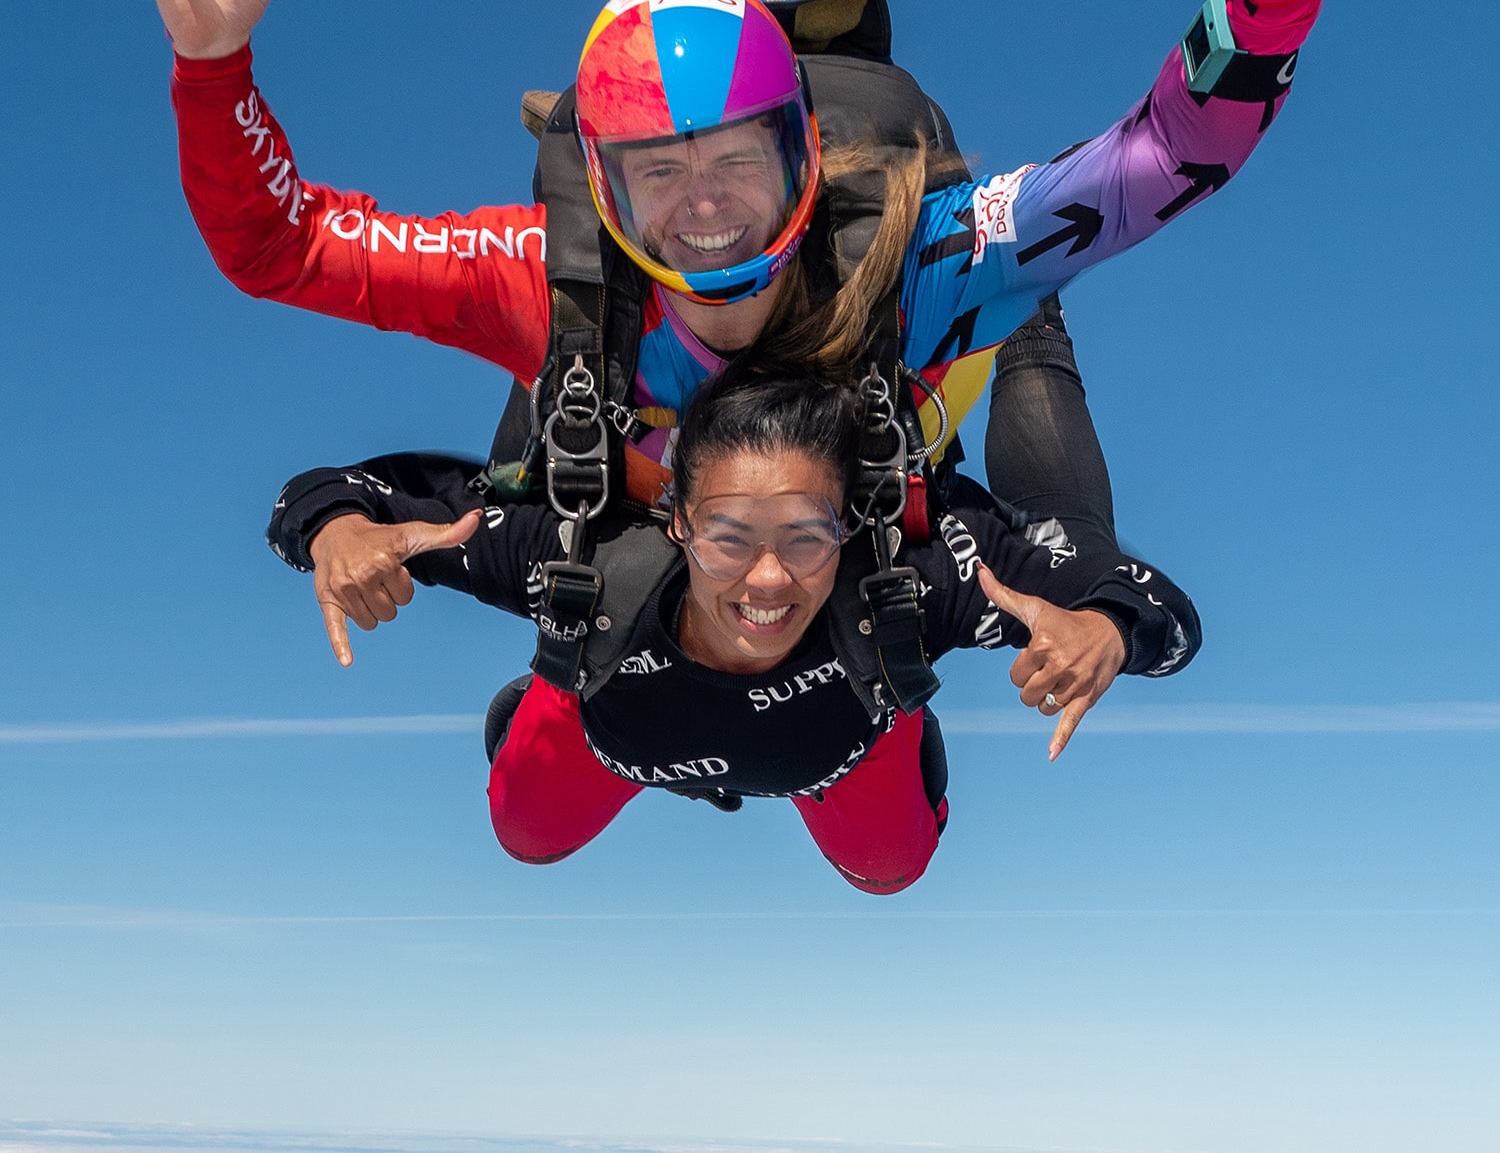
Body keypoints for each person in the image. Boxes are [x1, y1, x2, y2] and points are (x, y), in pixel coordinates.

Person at [131, 0, 1378, 523]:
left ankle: (1025, 319)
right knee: (533, 797)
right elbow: (281, 250)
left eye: (739, 157)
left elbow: (1162, 160)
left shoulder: (915, 251)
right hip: (665, 446)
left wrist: (1271, 4)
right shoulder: (541, 267)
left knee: (1046, 438)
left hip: (915, 379)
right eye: (659, 173)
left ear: (808, 152)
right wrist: (211, 61)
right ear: (604, 196)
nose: (707, 200)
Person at [266, 369, 1199, 893]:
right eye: (727, 537)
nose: (767, 578)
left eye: (807, 535)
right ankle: (545, 699)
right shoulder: (580, 561)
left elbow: (1154, 605)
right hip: (620, 725)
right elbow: (331, 494)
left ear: (848, 521)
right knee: (523, 833)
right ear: (673, 519)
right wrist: (337, 536)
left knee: (890, 871)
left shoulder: (905, 583)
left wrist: (1107, 630)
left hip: (837, 735)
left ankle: (1029, 333)